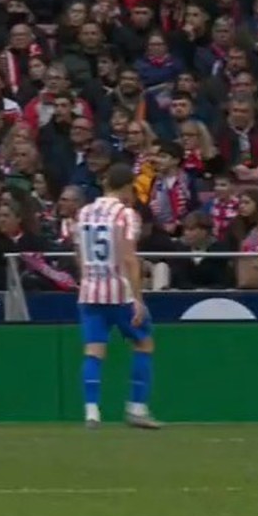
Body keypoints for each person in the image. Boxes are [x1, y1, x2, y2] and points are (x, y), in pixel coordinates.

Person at [74, 163, 161, 430]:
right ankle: (136, 408)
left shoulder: (84, 212)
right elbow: (129, 258)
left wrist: (87, 278)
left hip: (90, 291)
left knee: (93, 351)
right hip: (119, 292)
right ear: (126, 188)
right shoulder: (125, 214)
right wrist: (138, 299)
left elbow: (79, 254)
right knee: (144, 343)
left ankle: (91, 412)